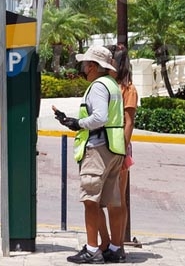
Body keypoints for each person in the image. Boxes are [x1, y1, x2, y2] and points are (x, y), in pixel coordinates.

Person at [53, 45, 126, 264]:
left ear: (93, 66)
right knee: (112, 200)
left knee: (90, 201)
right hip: (114, 149)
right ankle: (114, 248)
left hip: (98, 149)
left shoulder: (98, 86)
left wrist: (77, 123)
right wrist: (71, 120)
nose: (83, 69)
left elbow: (99, 117)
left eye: (85, 65)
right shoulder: (112, 85)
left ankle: (93, 249)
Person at [106, 43, 137, 263]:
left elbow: (129, 122)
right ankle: (110, 243)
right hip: (105, 145)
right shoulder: (108, 85)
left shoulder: (128, 89)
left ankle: (119, 245)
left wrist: (122, 149)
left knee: (118, 199)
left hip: (119, 147)